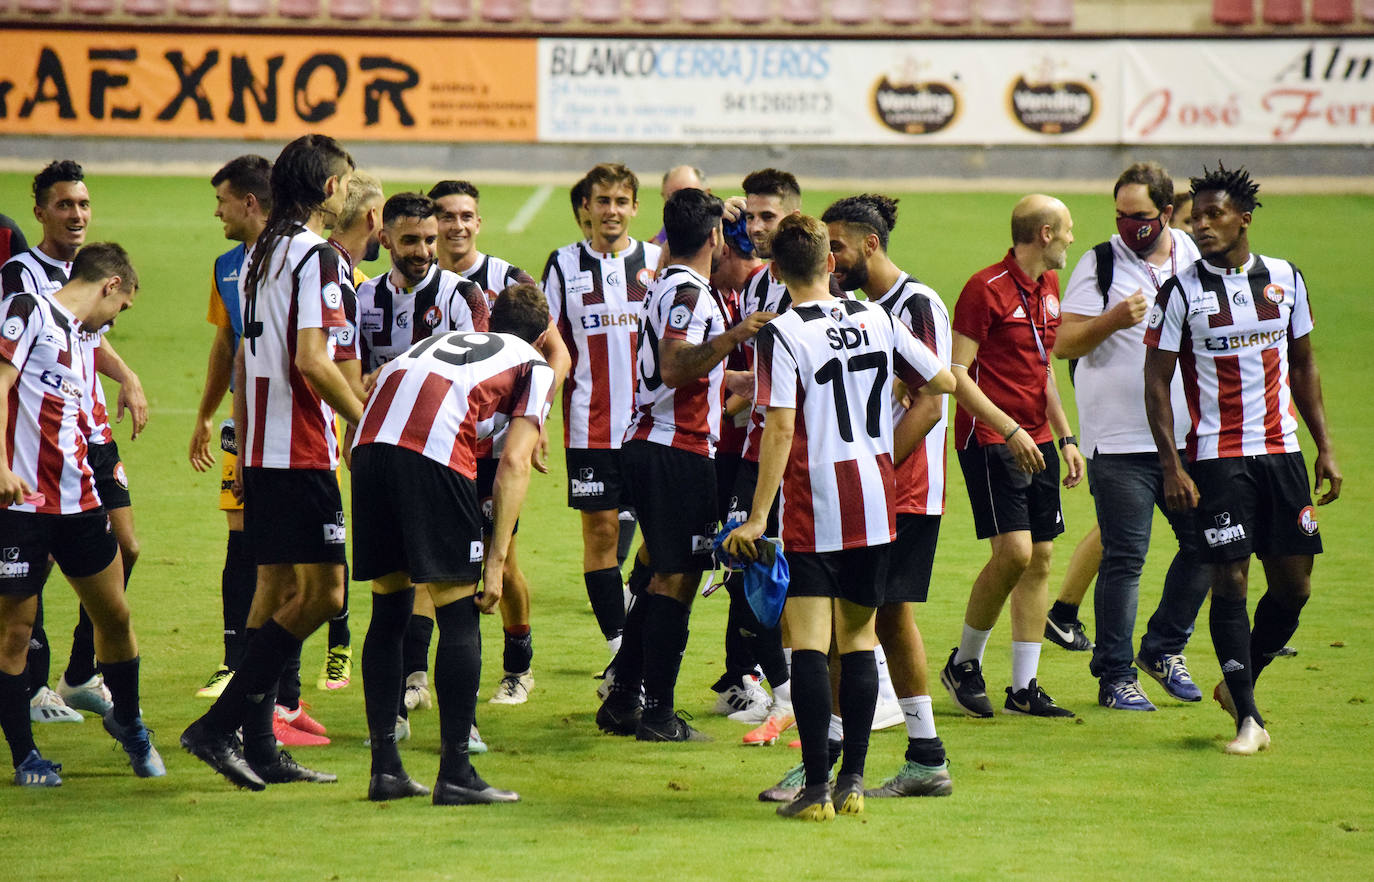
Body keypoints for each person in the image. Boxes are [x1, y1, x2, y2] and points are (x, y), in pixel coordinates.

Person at [725, 214, 955, 820]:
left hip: (816, 499)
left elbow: (779, 426)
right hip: (876, 498)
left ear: (775, 271)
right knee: (858, 638)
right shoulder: (878, 316)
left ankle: (816, 788)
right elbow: (941, 378)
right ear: (832, 261)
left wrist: (756, 517)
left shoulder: (780, 333)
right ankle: (853, 780)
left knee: (807, 644)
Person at [180, 134, 363, 790]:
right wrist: (367, 422)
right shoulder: (318, 257)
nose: (349, 188)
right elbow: (315, 359)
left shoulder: (258, 254)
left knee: (277, 588)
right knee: (325, 595)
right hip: (299, 450)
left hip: (258, 450)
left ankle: (258, 746)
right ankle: (218, 726)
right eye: (345, 179)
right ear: (327, 188)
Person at [1144, 163, 1341, 754]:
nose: (1200, 226)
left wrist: (1325, 445)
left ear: (1244, 220)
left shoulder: (1284, 279)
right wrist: (1172, 465)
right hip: (1215, 457)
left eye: (1213, 215)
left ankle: (1240, 681)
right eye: (1194, 217)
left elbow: (1304, 366)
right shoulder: (1179, 291)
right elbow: (1155, 382)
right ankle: (1248, 721)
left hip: (1281, 452)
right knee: (1229, 579)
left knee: (1295, 588)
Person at [356, 284, 555, 804]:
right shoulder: (534, 362)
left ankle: (386, 770)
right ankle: (456, 774)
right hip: (430, 455)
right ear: (541, 334)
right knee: (459, 610)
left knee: (389, 606)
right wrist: (495, 562)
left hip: (368, 448)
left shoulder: (446, 341)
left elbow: (378, 380)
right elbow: (513, 463)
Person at [595, 188, 769, 742]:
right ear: (715, 236)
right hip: (674, 450)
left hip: (660, 444)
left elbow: (684, 370)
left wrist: (736, 377)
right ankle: (659, 714)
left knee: (663, 573)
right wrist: (733, 338)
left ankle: (625, 699)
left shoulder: (674, 283)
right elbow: (674, 367)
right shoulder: (690, 292)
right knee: (677, 578)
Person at [0, 242, 164, 785]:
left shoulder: (81, 336)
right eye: (122, 307)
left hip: (78, 500)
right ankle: (26, 757)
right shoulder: (26, 309)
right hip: (21, 503)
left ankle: (131, 724)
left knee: (113, 616)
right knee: (14, 631)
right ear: (110, 286)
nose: (118, 318)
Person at [1054, 161, 1210, 711]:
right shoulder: (1099, 263)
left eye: (1140, 216)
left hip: (1187, 437)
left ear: (1167, 213)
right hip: (1117, 439)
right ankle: (1115, 675)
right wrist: (1113, 320)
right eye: (1120, 215)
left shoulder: (1194, 256)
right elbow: (1064, 343)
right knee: (1126, 557)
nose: (1128, 226)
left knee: (1208, 545)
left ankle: (1164, 648)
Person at [821, 194, 957, 797]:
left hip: (904, 487)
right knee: (880, 618)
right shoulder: (857, 307)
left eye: (838, 247)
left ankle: (828, 760)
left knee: (847, 620)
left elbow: (932, 396)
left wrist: (880, 464)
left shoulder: (916, 304)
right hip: (881, 487)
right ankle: (924, 756)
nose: (831, 259)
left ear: (869, 245)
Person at [427, 179, 571, 707]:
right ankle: (418, 675)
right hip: (440, 445)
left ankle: (518, 667)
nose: (456, 225)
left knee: (500, 558)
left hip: (493, 448)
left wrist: (533, 418)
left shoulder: (507, 279)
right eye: (446, 216)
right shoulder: (418, 280)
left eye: (466, 215)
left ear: (479, 222)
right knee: (429, 560)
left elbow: (557, 355)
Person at [940, 194, 1084, 720]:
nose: (1073, 237)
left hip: (1037, 436)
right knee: (1017, 554)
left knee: (1042, 557)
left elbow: (1042, 368)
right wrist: (1009, 428)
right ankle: (965, 664)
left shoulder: (1048, 285)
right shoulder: (984, 289)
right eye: (1067, 229)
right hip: (991, 437)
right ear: (1044, 233)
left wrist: (1065, 436)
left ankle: (1024, 688)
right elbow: (957, 374)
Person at [541, 163, 661, 667]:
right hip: (590, 426)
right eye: (602, 201)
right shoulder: (563, 264)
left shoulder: (658, 261)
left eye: (620, 201)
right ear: (585, 208)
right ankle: (619, 649)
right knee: (602, 536)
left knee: (663, 540)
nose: (611, 211)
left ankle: (634, 608)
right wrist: (537, 414)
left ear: (635, 207)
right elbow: (547, 346)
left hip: (653, 428)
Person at [651, 165, 706, 246]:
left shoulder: (724, 247)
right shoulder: (650, 252)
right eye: (673, 198)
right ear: (663, 197)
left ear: (707, 195)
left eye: (689, 197)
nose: (682, 206)